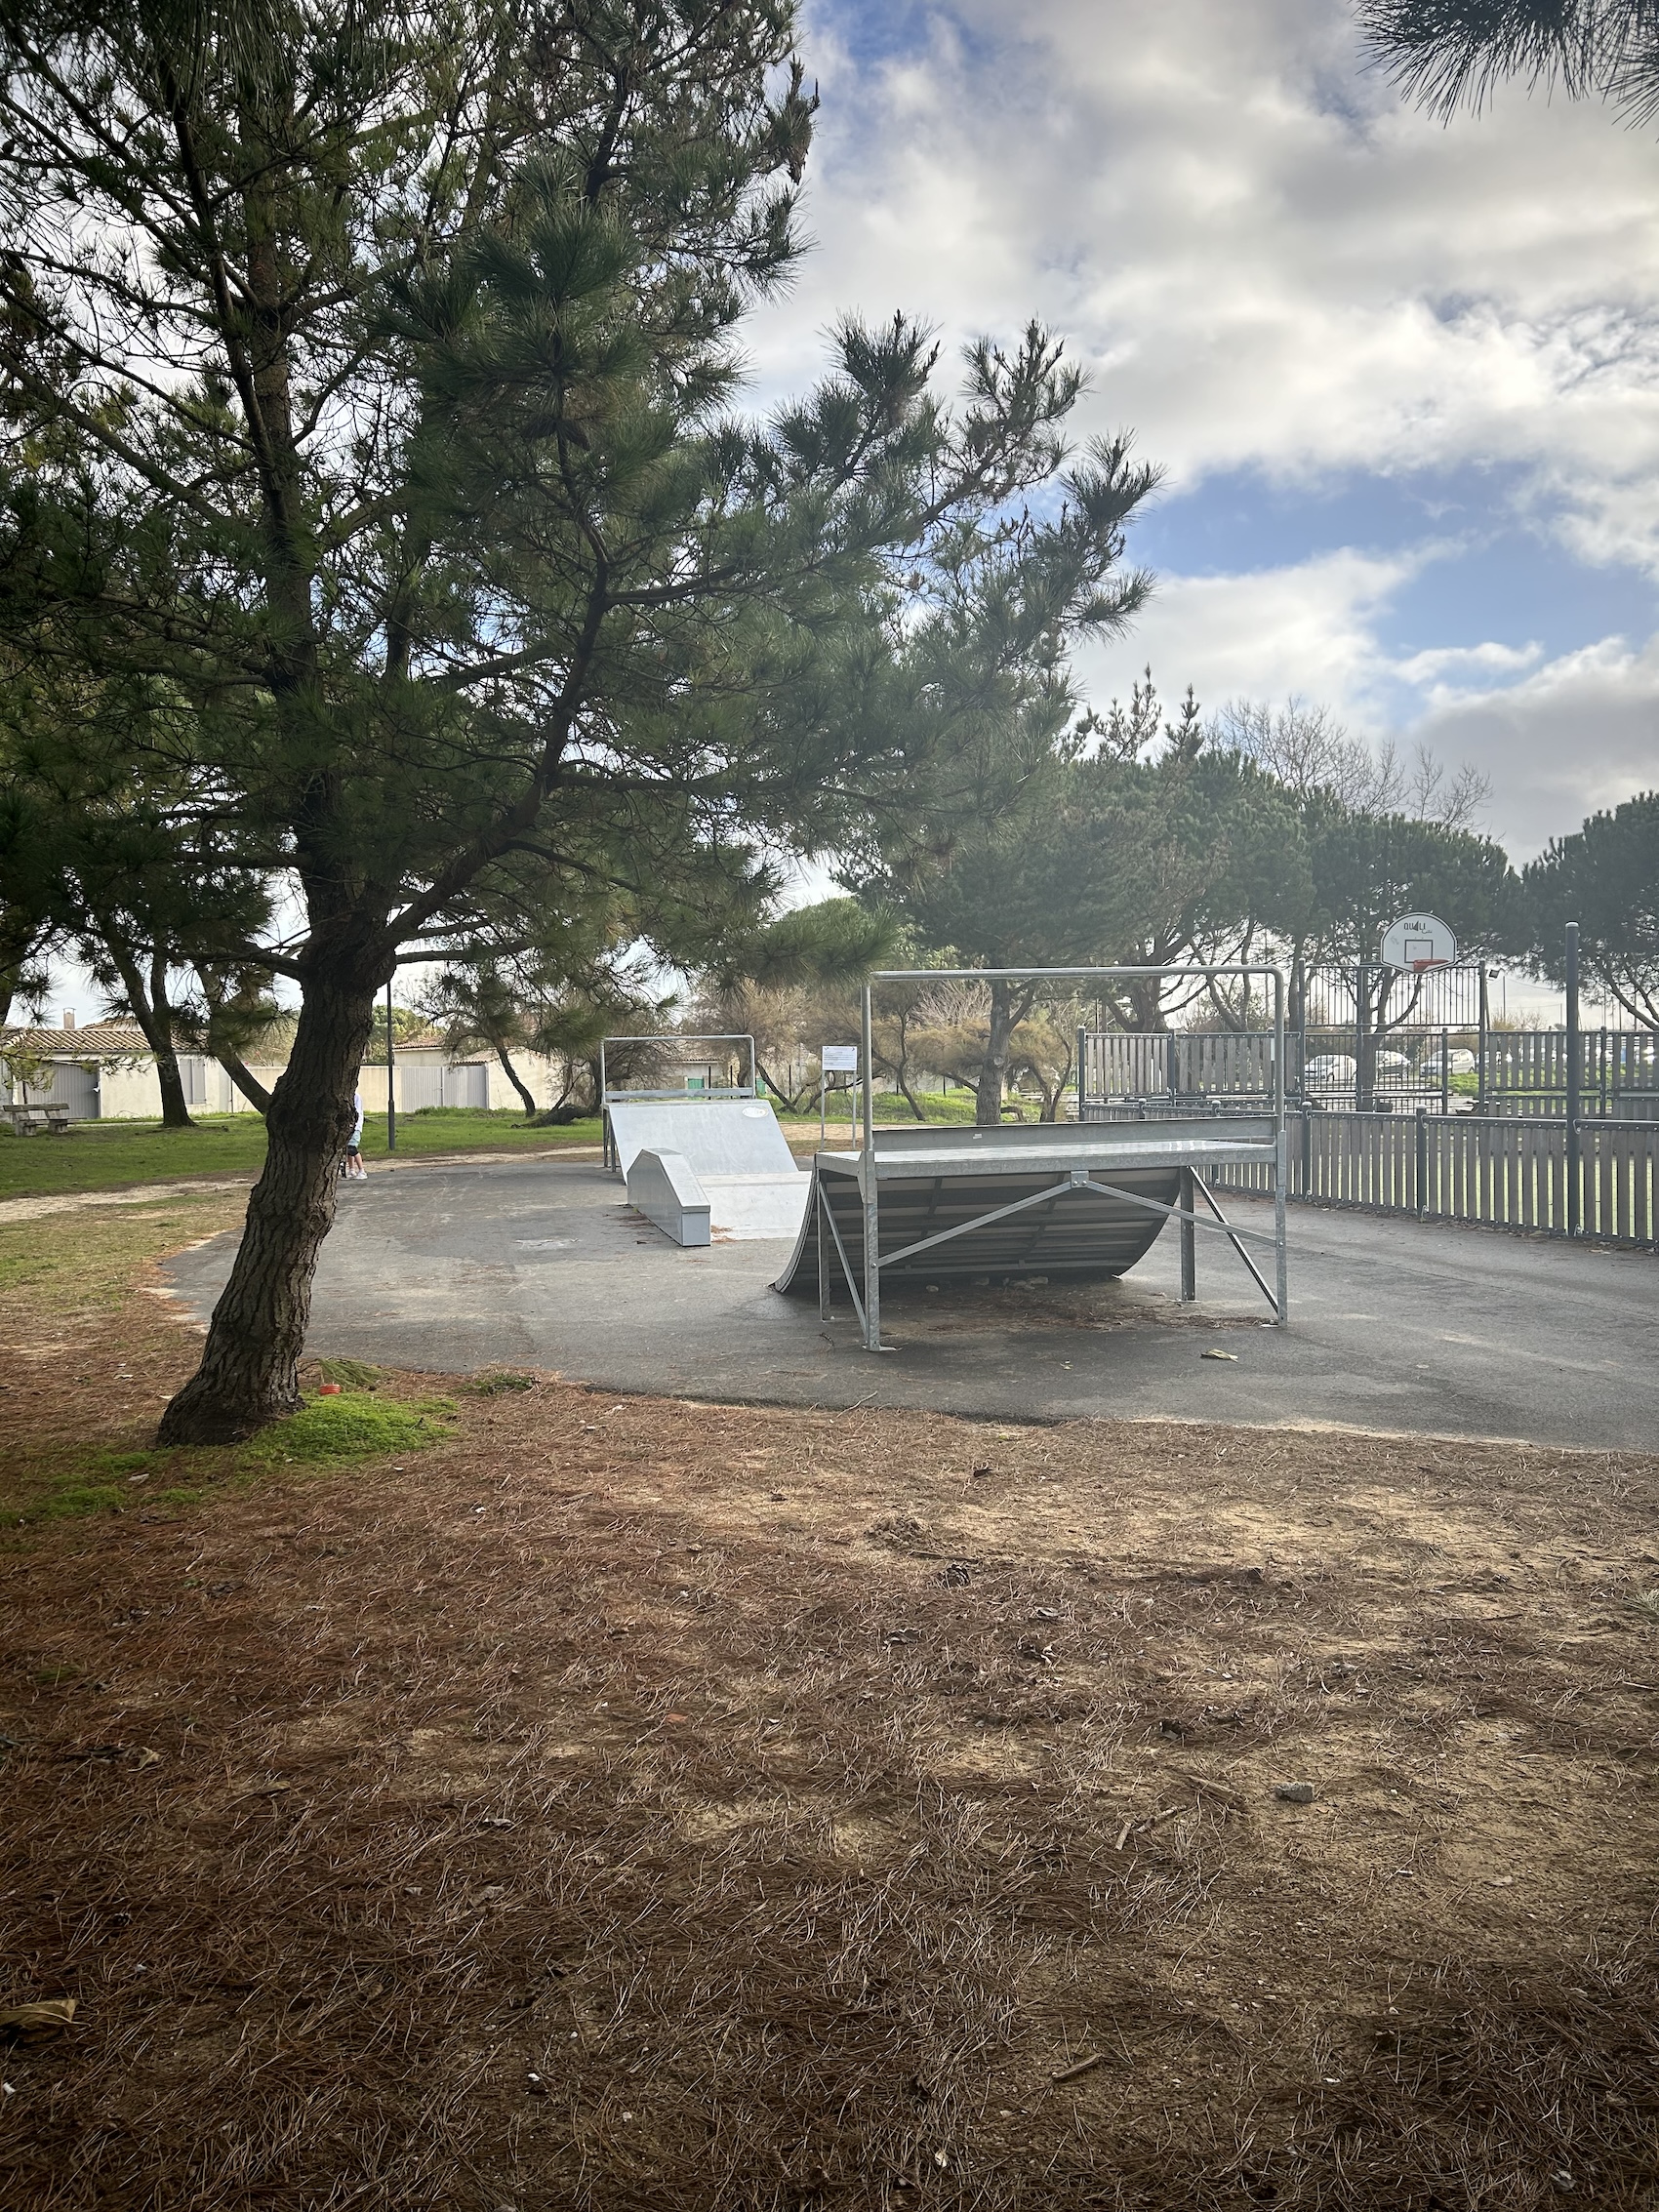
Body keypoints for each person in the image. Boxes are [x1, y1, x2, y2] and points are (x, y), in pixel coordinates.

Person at [344, 1088, 368, 1180]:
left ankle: (362, 1170)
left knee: (352, 1148)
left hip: (355, 1127)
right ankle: (351, 1170)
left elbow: (357, 1111)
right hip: (349, 1126)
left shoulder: (356, 1097)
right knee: (348, 1149)